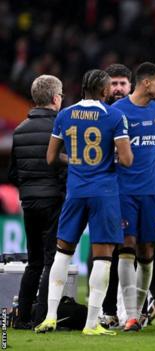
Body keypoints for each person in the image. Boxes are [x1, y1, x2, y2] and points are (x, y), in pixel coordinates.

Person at [34, 69, 133, 336]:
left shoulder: (65, 115)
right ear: (103, 91)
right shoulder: (114, 116)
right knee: (103, 258)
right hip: (104, 194)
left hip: (75, 192)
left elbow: (51, 157)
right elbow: (126, 160)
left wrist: (76, 161)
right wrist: (106, 159)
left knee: (63, 253)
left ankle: (50, 317)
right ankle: (91, 324)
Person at [113, 62, 155, 332]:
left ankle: (136, 311)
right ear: (147, 83)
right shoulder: (117, 112)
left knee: (147, 250)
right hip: (124, 191)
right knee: (126, 246)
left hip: (152, 191)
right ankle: (131, 315)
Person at [8, 75, 66, 329]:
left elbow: (12, 173)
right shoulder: (62, 128)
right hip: (54, 200)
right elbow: (65, 169)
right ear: (55, 99)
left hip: (29, 201)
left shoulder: (19, 130)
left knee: (34, 261)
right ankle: (43, 317)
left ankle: (21, 319)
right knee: (53, 260)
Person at [97, 63, 133, 329]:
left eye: (123, 83)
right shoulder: (96, 115)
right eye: (114, 84)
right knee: (103, 254)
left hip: (135, 195)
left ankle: (133, 311)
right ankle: (106, 310)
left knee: (134, 252)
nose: (118, 88)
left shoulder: (145, 112)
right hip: (104, 194)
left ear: (131, 86)